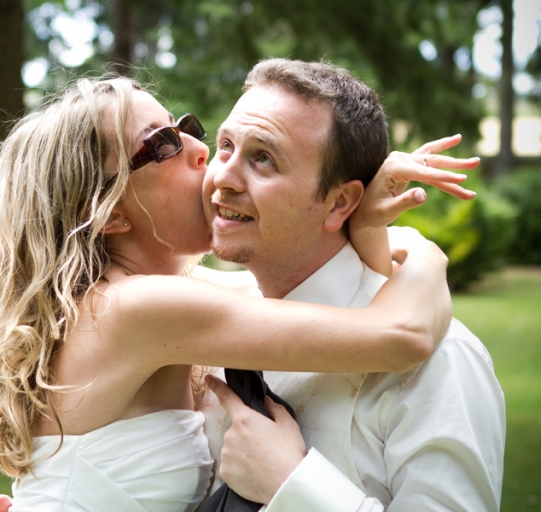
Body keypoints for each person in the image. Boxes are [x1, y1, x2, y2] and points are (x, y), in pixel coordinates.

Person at [0, 74, 471, 512]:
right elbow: (401, 334)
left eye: (187, 128)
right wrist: (423, 251)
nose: (203, 152)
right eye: (161, 144)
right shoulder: (141, 309)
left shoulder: (145, 298)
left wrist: (363, 224)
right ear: (110, 212)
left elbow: (294, 285)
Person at [201, 58, 505, 511]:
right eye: (225, 145)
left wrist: (292, 486)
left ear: (340, 202)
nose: (222, 176)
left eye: (263, 158)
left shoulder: (441, 363)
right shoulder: (199, 324)